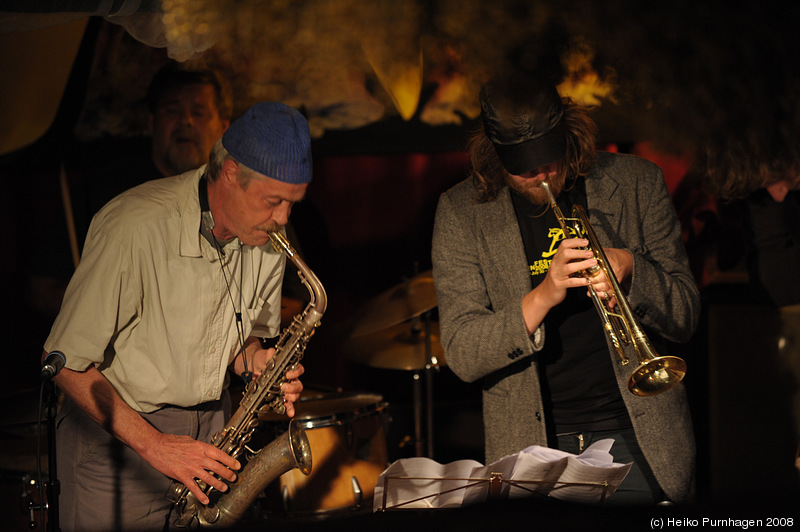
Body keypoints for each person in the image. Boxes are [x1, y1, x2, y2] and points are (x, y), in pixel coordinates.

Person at [42, 101, 312, 531]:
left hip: (212, 441)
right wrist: (157, 446)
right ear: (230, 174)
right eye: (273, 201)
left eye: (292, 204)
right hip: (118, 443)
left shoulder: (266, 236)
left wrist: (259, 364)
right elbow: (65, 363)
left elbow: (238, 340)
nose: (282, 219)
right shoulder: (133, 226)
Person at [431, 75, 701, 505]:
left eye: (549, 159)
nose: (541, 174)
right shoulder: (461, 213)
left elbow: (685, 316)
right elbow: (462, 352)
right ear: (496, 157)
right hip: (531, 447)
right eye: (525, 167)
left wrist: (632, 271)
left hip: (637, 435)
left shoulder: (637, 183)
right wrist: (543, 295)